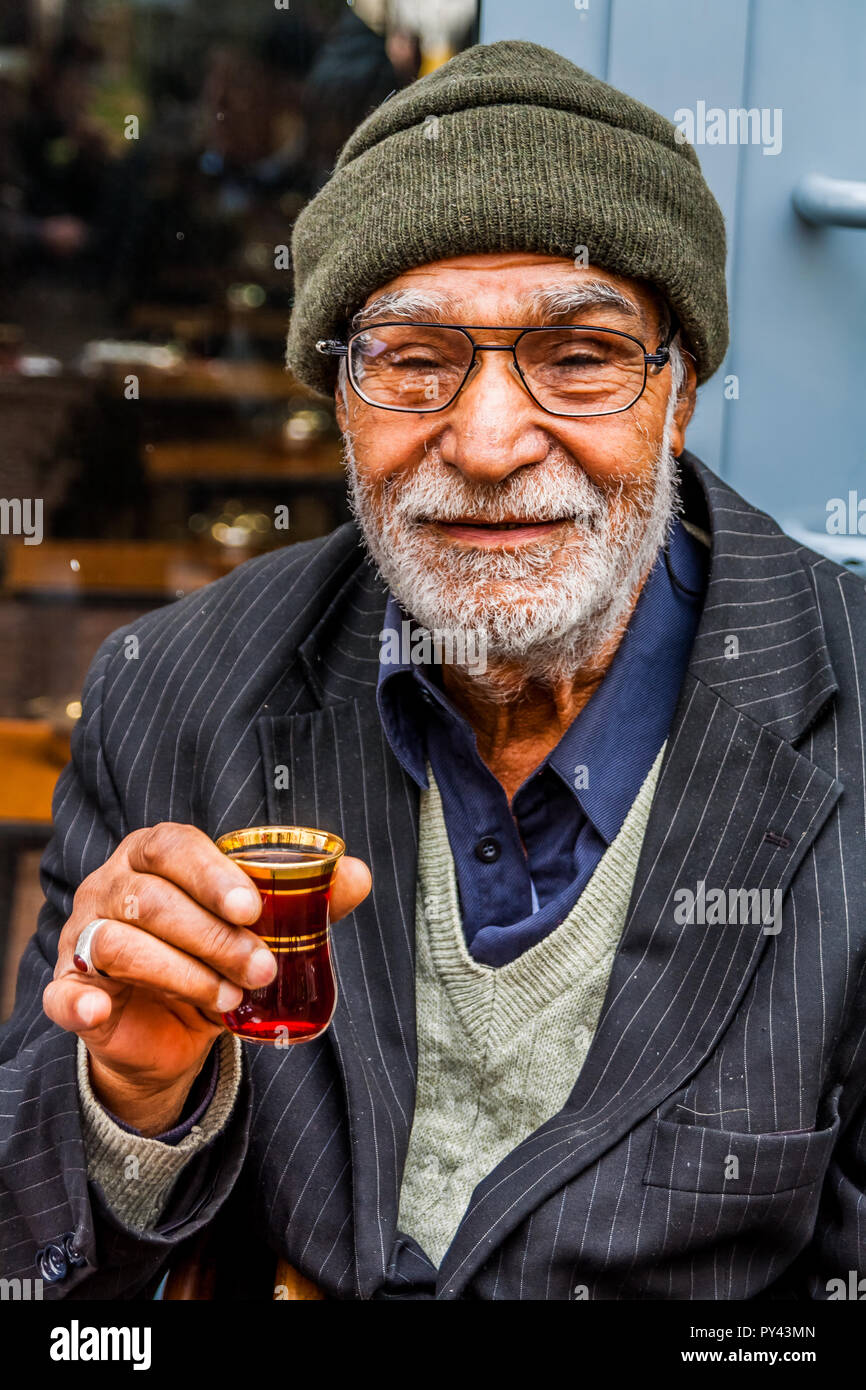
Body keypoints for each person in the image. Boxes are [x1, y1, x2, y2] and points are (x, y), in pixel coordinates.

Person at [1, 40, 864, 1301]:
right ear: (341, 400)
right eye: (414, 360)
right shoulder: (173, 691)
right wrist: (125, 1105)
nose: (491, 440)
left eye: (578, 357)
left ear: (674, 396)